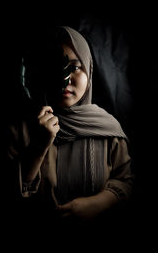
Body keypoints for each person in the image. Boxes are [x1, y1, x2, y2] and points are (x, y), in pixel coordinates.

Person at [7, 26, 134, 233]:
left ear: (88, 70)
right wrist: (39, 147)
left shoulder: (109, 130)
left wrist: (101, 202)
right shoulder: (20, 129)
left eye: (75, 67)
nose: (65, 80)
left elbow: (126, 181)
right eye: (54, 67)